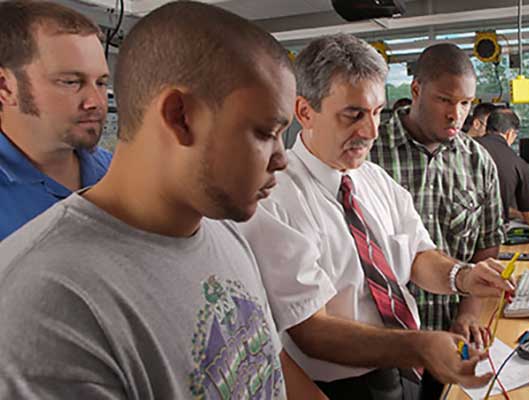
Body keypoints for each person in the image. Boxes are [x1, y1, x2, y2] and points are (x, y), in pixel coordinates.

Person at [0, 2, 327, 399]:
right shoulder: (45, 304)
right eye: (263, 132)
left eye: (101, 83)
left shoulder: (221, 229)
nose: (281, 159)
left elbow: (264, 370)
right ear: (180, 116)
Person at [239, 34, 513, 400]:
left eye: (378, 112)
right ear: (304, 111)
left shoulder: (372, 178)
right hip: (341, 386)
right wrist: (418, 346)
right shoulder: (277, 198)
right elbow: (312, 330)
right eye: (353, 115)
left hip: (403, 369)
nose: (370, 132)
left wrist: (462, 276)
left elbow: (417, 255)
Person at [371, 44, 505, 341]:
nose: (455, 115)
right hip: (385, 337)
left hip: (453, 330)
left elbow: (486, 246)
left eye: (466, 103)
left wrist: (469, 313)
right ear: (416, 89)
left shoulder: (478, 162)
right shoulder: (369, 152)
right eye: (444, 100)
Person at [0, 0, 112, 241]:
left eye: (101, 83)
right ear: (5, 87)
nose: (96, 102)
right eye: (71, 82)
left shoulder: (117, 173)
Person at [477, 108, 529, 228]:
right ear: (510, 133)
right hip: (489, 235)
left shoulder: (466, 148)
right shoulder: (517, 164)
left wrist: (516, 213)